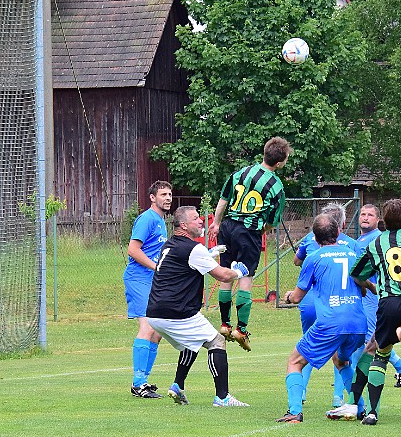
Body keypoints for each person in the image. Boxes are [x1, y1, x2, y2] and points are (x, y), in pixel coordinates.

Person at [328, 199, 401, 425]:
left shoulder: (376, 243)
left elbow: (357, 274)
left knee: (378, 352)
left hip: (389, 303)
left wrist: (372, 287)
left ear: (384, 220)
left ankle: (370, 411)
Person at [147, 205, 251, 407]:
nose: (201, 221)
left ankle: (177, 385)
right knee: (216, 341)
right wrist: (239, 272)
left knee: (192, 342)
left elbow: (187, 262)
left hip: (155, 313)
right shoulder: (194, 249)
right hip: (176, 312)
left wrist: (209, 254)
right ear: (184, 225)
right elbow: (222, 275)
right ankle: (222, 397)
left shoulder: (170, 245)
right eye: (196, 219)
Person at [276, 213, 367, 423]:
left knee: (295, 361)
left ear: (315, 239)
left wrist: (289, 296)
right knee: (341, 360)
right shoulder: (354, 254)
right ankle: (360, 408)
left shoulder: (314, 258)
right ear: (338, 232)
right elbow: (363, 290)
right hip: (357, 322)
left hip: (332, 321)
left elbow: (298, 296)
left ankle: (295, 411)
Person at [208, 136, 292, 351]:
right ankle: (241, 329)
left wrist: (216, 223)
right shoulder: (276, 186)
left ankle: (225, 324)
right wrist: (257, 231)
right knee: (245, 276)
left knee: (226, 274)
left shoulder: (241, 173)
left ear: (264, 153)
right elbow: (272, 222)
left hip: (227, 227)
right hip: (248, 232)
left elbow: (223, 199)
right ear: (280, 162)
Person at [123, 180, 172, 399]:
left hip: (154, 280)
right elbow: (133, 250)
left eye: (170, 194)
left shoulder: (161, 221)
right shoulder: (147, 218)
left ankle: (144, 380)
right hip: (139, 279)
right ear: (152, 197)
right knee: (147, 327)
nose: (168, 198)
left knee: (156, 332)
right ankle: (138, 383)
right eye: (163, 194)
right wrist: (156, 266)